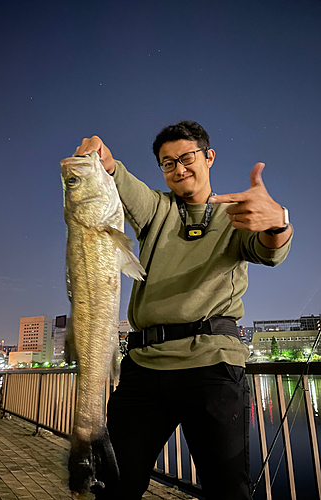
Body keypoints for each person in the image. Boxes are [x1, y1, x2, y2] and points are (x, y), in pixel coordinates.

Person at [73, 121, 293, 500]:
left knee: (227, 491)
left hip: (212, 367)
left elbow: (270, 250)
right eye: (167, 162)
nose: (179, 168)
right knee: (113, 488)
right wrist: (101, 161)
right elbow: (120, 181)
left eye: (187, 158)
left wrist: (278, 222)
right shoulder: (156, 209)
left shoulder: (236, 214)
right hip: (143, 368)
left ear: (208, 157)